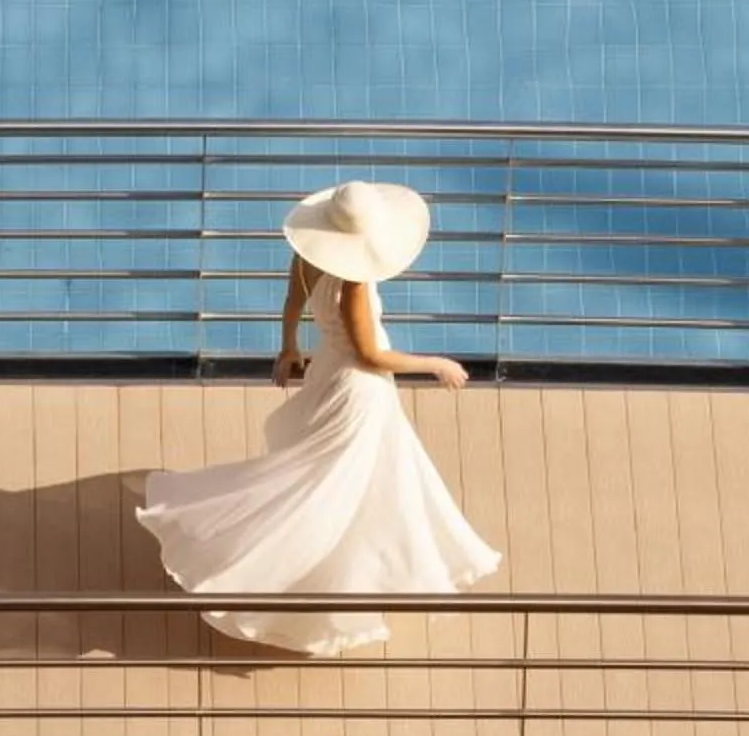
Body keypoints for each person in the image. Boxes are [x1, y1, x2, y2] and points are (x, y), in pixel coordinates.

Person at [136, 179, 501, 655]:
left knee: (350, 482)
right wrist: (437, 365)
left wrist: (288, 349)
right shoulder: (354, 282)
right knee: (338, 485)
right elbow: (370, 354)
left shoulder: (311, 258)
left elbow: (293, 304)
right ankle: (293, 575)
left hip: (326, 372)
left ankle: (342, 580)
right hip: (357, 388)